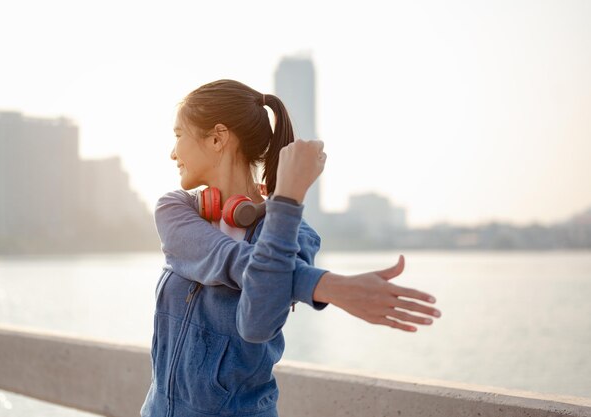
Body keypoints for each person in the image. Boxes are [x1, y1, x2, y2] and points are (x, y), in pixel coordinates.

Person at [140, 79, 441, 417]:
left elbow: (256, 326)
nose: (172, 151)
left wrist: (288, 198)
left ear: (216, 138)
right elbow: (228, 259)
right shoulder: (177, 209)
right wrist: (326, 286)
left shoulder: (295, 235)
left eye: (179, 135)